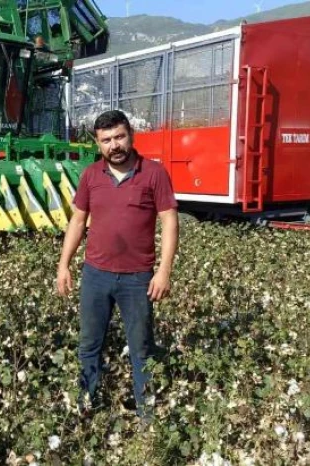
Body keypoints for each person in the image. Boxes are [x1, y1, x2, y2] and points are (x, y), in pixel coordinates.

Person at [56, 109, 179, 420]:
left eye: (119, 137)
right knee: (89, 345)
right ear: (98, 144)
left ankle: (147, 419)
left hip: (138, 279)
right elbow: (78, 220)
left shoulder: (154, 173)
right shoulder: (91, 175)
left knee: (141, 351)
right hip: (95, 275)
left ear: (131, 136)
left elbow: (169, 221)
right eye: (106, 140)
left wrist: (164, 271)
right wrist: (64, 264)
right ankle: (87, 408)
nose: (114, 145)